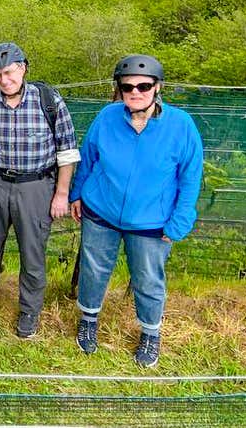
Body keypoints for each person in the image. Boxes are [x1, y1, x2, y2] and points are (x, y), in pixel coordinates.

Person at [69, 55, 202, 367]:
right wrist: (77, 193)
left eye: (144, 85)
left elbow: (190, 176)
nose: (135, 92)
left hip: (152, 222)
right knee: (94, 269)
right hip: (101, 211)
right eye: (127, 86)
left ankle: (150, 333)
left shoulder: (181, 126)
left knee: (147, 279)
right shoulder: (107, 116)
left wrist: (180, 222)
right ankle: (88, 319)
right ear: (119, 89)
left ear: (157, 88)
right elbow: (88, 157)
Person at [0, 42, 79, 338]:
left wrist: (61, 194)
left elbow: (67, 152)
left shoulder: (49, 101)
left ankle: (29, 308)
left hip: (36, 186)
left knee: (32, 250)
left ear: (23, 68)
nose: (4, 80)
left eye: (9, 72)